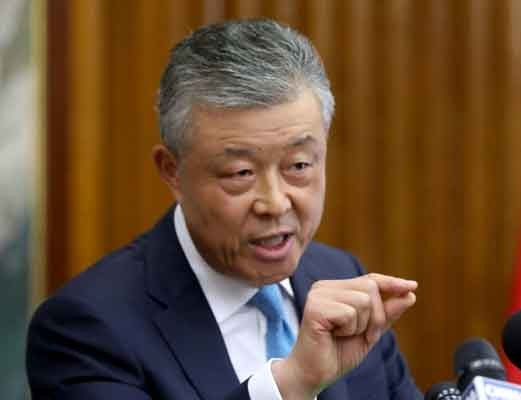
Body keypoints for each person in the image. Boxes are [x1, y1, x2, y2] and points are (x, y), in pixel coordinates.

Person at [26, 18, 421, 400]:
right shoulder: (87, 329)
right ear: (172, 171)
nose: (275, 202)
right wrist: (290, 386)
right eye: (240, 173)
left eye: (299, 165)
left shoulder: (342, 276)